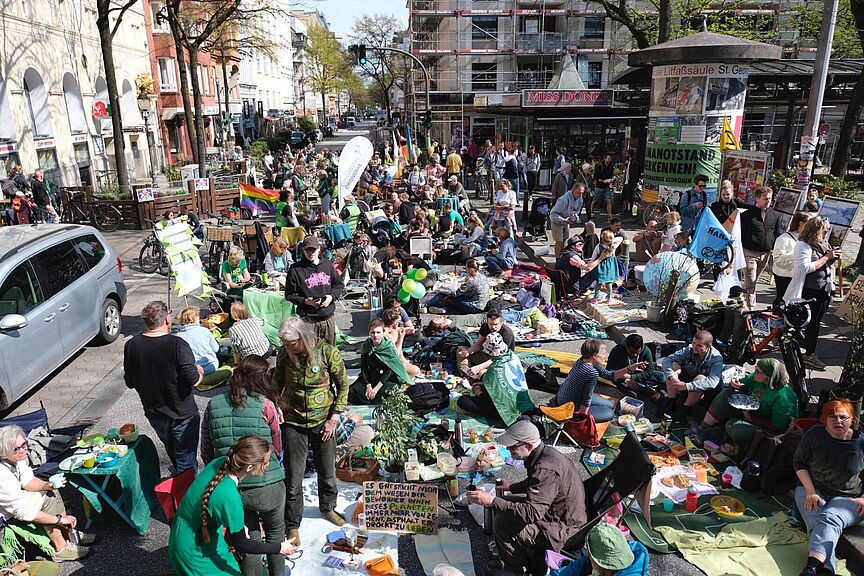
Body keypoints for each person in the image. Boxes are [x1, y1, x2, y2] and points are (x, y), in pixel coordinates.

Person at [200, 357, 287, 576]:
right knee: (276, 535)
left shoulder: (213, 404)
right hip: (267, 484)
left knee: (248, 542)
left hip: (232, 487)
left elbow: (206, 449)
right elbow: (277, 447)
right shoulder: (265, 405)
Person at [466, 420, 586, 576]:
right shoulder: (544, 453)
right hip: (556, 512)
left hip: (563, 528)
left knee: (501, 524)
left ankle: (515, 571)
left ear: (528, 446)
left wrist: (491, 501)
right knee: (504, 504)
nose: (508, 449)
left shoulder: (545, 468)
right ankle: (513, 555)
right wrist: (511, 487)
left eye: (513, 447)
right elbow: (535, 483)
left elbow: (531, 514)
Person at [168, 436, 298, 576]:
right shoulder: (230, 497)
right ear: (249, 467)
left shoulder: (219, 463)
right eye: (265, 462)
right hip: (193, 552)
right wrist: (279, 548)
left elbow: (214, 506)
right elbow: (241, 543)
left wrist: (238, 524)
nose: (268, 465)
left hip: (187, 533)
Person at [273, 317, 349, 543]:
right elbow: (277, 383)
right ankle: (292, 524)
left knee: (327, 471)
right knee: (293, 476)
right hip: (293, 422)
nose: (287, 347)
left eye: (290, 343)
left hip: (323, 421)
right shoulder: (284, 354)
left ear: (302, 338)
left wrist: (334, 417)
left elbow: (343, 385)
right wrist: (276, 405)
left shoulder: (327, 353)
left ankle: (328, 507)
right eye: (284, 343)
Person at [124, 301, 202, 473]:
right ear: (167, 319)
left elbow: (129, 382)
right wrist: (199, 371)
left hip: (155, 412)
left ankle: (179, 479)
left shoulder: (131, 345)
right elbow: (194, 379)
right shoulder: (177, 344)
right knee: (186, 460)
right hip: (182, 413)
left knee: (172, 449)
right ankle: (186, 487)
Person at [0, 425, 95, 561]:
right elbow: (22, 512)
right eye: (16, 449)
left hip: (16, 499)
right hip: (6, 514)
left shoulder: (16, 458)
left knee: (51, 489)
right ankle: (60, 548)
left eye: (24, 444)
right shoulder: (2, 475)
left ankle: (69, 533)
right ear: (3, 454)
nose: (23, 450)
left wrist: (48, 485)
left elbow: (28, 481)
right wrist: (60, 520)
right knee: (45, 499)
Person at [794, 399, 864, 576]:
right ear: (824, 419)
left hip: (848, 497)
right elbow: (799, 463)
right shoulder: (814, 434)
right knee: (815, 523)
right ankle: (826, 571)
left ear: (852, 419)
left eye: (843, 417)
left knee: (829, 517)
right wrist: (810, 492)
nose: (838, 421)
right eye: (832, 417)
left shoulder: (861, 443)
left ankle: (810, 568)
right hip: (812, 488)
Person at [690, 358, 797, 448]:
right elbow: (740, 383)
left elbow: (778, 427)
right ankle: (703, 427)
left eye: (758, 372)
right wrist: (733, 384)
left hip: (767, 427)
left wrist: (752, 419)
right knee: (727, 394)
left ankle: (717, 436)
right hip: (749, 412)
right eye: (755, 369)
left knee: (734, 427)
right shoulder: (756, 378)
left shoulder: (783, 398)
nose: (754, 373)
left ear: (769, 377)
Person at [783, 216, 840, 369]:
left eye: (828, 230)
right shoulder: (803, 245)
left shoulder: (823, 243)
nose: (827, 233)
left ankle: (808, 351)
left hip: (824, 290)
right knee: (803, 321)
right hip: (808, 291)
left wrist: (832, 258)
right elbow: (805, 267)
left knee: (815, 322)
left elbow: (824, 264)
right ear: (816, 230)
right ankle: (804, 351)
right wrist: (827, 257)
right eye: (825, 230)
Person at [552, 339, 646, 422]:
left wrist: (629, 368)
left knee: (611, 405)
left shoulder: (583, 360)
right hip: (569, 406)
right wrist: (581, 418)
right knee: (609, 413)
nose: (605, 355)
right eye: (603, 353)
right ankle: (574, 416)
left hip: (565, 397)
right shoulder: (591, 373)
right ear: (594, 355)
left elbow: (609, 375)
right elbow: (586, 399)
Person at [457, 332, 534, 425]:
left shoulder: (494, 370)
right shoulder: (513, 357)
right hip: (524, 405)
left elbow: (491, 398)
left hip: (506, 412)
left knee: (462, 401)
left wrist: (478, 393)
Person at [284, 236, 344, 345]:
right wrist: (305, 301)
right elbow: (289, 294)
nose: (311, 253)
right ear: (303, 250)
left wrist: (331, 297)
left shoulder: (327, 265)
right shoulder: (295, 269)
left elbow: (338, 284)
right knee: (310, 351)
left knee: (330, 350)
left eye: (313, 249)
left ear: (319, 249)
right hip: (308, 319)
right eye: (308, 250)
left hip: (327, 317)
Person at [660, 330, 725, 420]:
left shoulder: (716, 358)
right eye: (693, 343)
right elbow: (667, 360)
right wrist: (672, 376)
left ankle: (684, 409)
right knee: (673, 366)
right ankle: (671, 401)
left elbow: (713, 382)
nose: (695, 347)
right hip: (688, 378)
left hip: (705, 390)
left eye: (699, 345)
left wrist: (687, 386)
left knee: (700, 378)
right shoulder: (689, 349)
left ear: (709, 346)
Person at [349, 319, 414, 405]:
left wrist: (376, 389)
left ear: (383, 333)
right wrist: (368, 386)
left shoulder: (388, 346)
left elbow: (389, 370)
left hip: (385, 380)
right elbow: (364, 367)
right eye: (373, 332)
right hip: (371, 377)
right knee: (351, 392)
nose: (375, 335)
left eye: (378, 332)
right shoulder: (366, 345)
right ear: (369, 333)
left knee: (389, 393)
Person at [741, 186, 783, 309]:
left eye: (770, 198)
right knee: (751, 281)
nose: (768, 201)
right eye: (765, 199)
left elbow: (777, 234)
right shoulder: (747, 215)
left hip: (765, 253)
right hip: (750, 252)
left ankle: (742, 297)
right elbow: (741, 234)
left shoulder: (775, 215)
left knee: (752, 281)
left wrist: (775, 249)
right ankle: (750, 308)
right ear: (757, 199)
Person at [175, 307, 232, 387]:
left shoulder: (178, 336)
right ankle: (207, 379)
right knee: (226, 350)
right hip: (210, 367)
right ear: (195, 318)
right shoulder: (204, 331)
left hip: (192, 371)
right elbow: (216, 349)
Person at [457, 309, 516, 380]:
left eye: (496, 324)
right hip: (486, 354)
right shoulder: (485, 327)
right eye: (490, 324)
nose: (493, 327)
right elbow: (479, 344)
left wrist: (479, 368)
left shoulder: (507, 334)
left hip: (500, 362)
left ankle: (476, 377)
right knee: (461, 351)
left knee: (482, 373)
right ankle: (467, 374)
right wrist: (468, 352)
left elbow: (499, 358)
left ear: (501, 323)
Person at [606, 334, 664, 400]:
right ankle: (644, 389)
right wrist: (625, 378)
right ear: (626, 346)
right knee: (619, 382)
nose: (634, 355)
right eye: (631, 351)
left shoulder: (646, 351)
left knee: (662, 377)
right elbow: (610, 372)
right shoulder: (617, 350)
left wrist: (632, 377)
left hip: (636, 375)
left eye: (637, 352)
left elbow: (650, 371)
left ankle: (638, 388)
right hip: (623, 377)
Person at [772, 212, 811, 307]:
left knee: (792, 302)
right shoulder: (784, 238)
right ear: (801, 223)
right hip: (784, 275)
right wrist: (797, 254)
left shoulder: (805, 239)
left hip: (797, 275)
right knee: (782, 300)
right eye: (809, 223)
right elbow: (778, 259)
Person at [550, 183, 585, 257]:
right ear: (573, 190)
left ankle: (562, 257)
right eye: (578, 193)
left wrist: (574, 217)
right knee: (559, 241)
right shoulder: (563, 200)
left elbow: (577, 210)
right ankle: (557, 259)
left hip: (567, 220)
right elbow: (553, 213)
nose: (580, 195)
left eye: (582, 193)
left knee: (565, 239)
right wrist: (563, 220)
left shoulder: (580, 199)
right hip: (557, 221)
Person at [590, 229, 618, 302]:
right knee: (609, 283)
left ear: (602, 239)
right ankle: (609, 298)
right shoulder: (613, 247)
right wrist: (612, 241)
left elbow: (593, 257)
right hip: (610, 267)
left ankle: (595, 298)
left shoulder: (598, 247)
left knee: (598, 283)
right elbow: (620, 239)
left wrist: (590, 264)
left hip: (601, 267)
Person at [593, 154, 616, 218]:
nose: (609, 160)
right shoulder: (599, 165)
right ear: (605, 158)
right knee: (595, 200)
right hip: (599, 186)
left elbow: (611, 176)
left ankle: (609, 215)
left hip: (606, 187)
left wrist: (611, 180)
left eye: (610, 159)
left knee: (608, 200)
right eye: (608, 158)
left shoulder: (611, 167)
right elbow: (595, 177)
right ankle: (591, 211)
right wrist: (603, 181)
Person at [621, 150, 641, 218]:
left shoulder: (634, 163)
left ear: (629, 154)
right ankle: (626, 209)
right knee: (625, 197)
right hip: (627, 182)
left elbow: (634, 174)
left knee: (630, 198)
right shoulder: (629, 162)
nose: (626, 155)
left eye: (627, 154)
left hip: (630, 183)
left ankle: (630, 211)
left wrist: (632, 183)